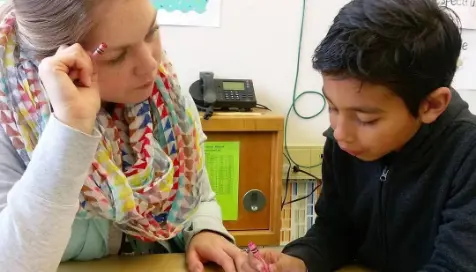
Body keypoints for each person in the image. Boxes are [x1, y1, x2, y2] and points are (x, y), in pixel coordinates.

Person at [0, 0, 246, 271]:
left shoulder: (167, 99)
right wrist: (70, 128)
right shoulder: (9, 121)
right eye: (116, 56)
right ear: (61, 60)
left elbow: (197, 193)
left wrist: (205, 229)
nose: (151, 63)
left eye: (151, 31)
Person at [242, 0, 476, 271]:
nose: (340, 133)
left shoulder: (467, 155)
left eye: (366, 119)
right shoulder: (343, 144)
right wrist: (299, 260)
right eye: (332, 107)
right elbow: (336, 229)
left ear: (431, 105)